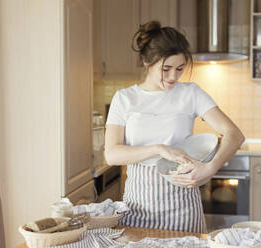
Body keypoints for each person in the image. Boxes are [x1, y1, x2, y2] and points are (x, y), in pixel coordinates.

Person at [104, 21, 245, 233]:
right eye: (166, 69)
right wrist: (159, 148)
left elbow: (234, 134)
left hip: (183, 209)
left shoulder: (191, 93)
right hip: (137, 208)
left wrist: (211, 167)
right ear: (146, 62)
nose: (173, 77)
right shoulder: (125, 99)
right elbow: (112, 155)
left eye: (179, 69)